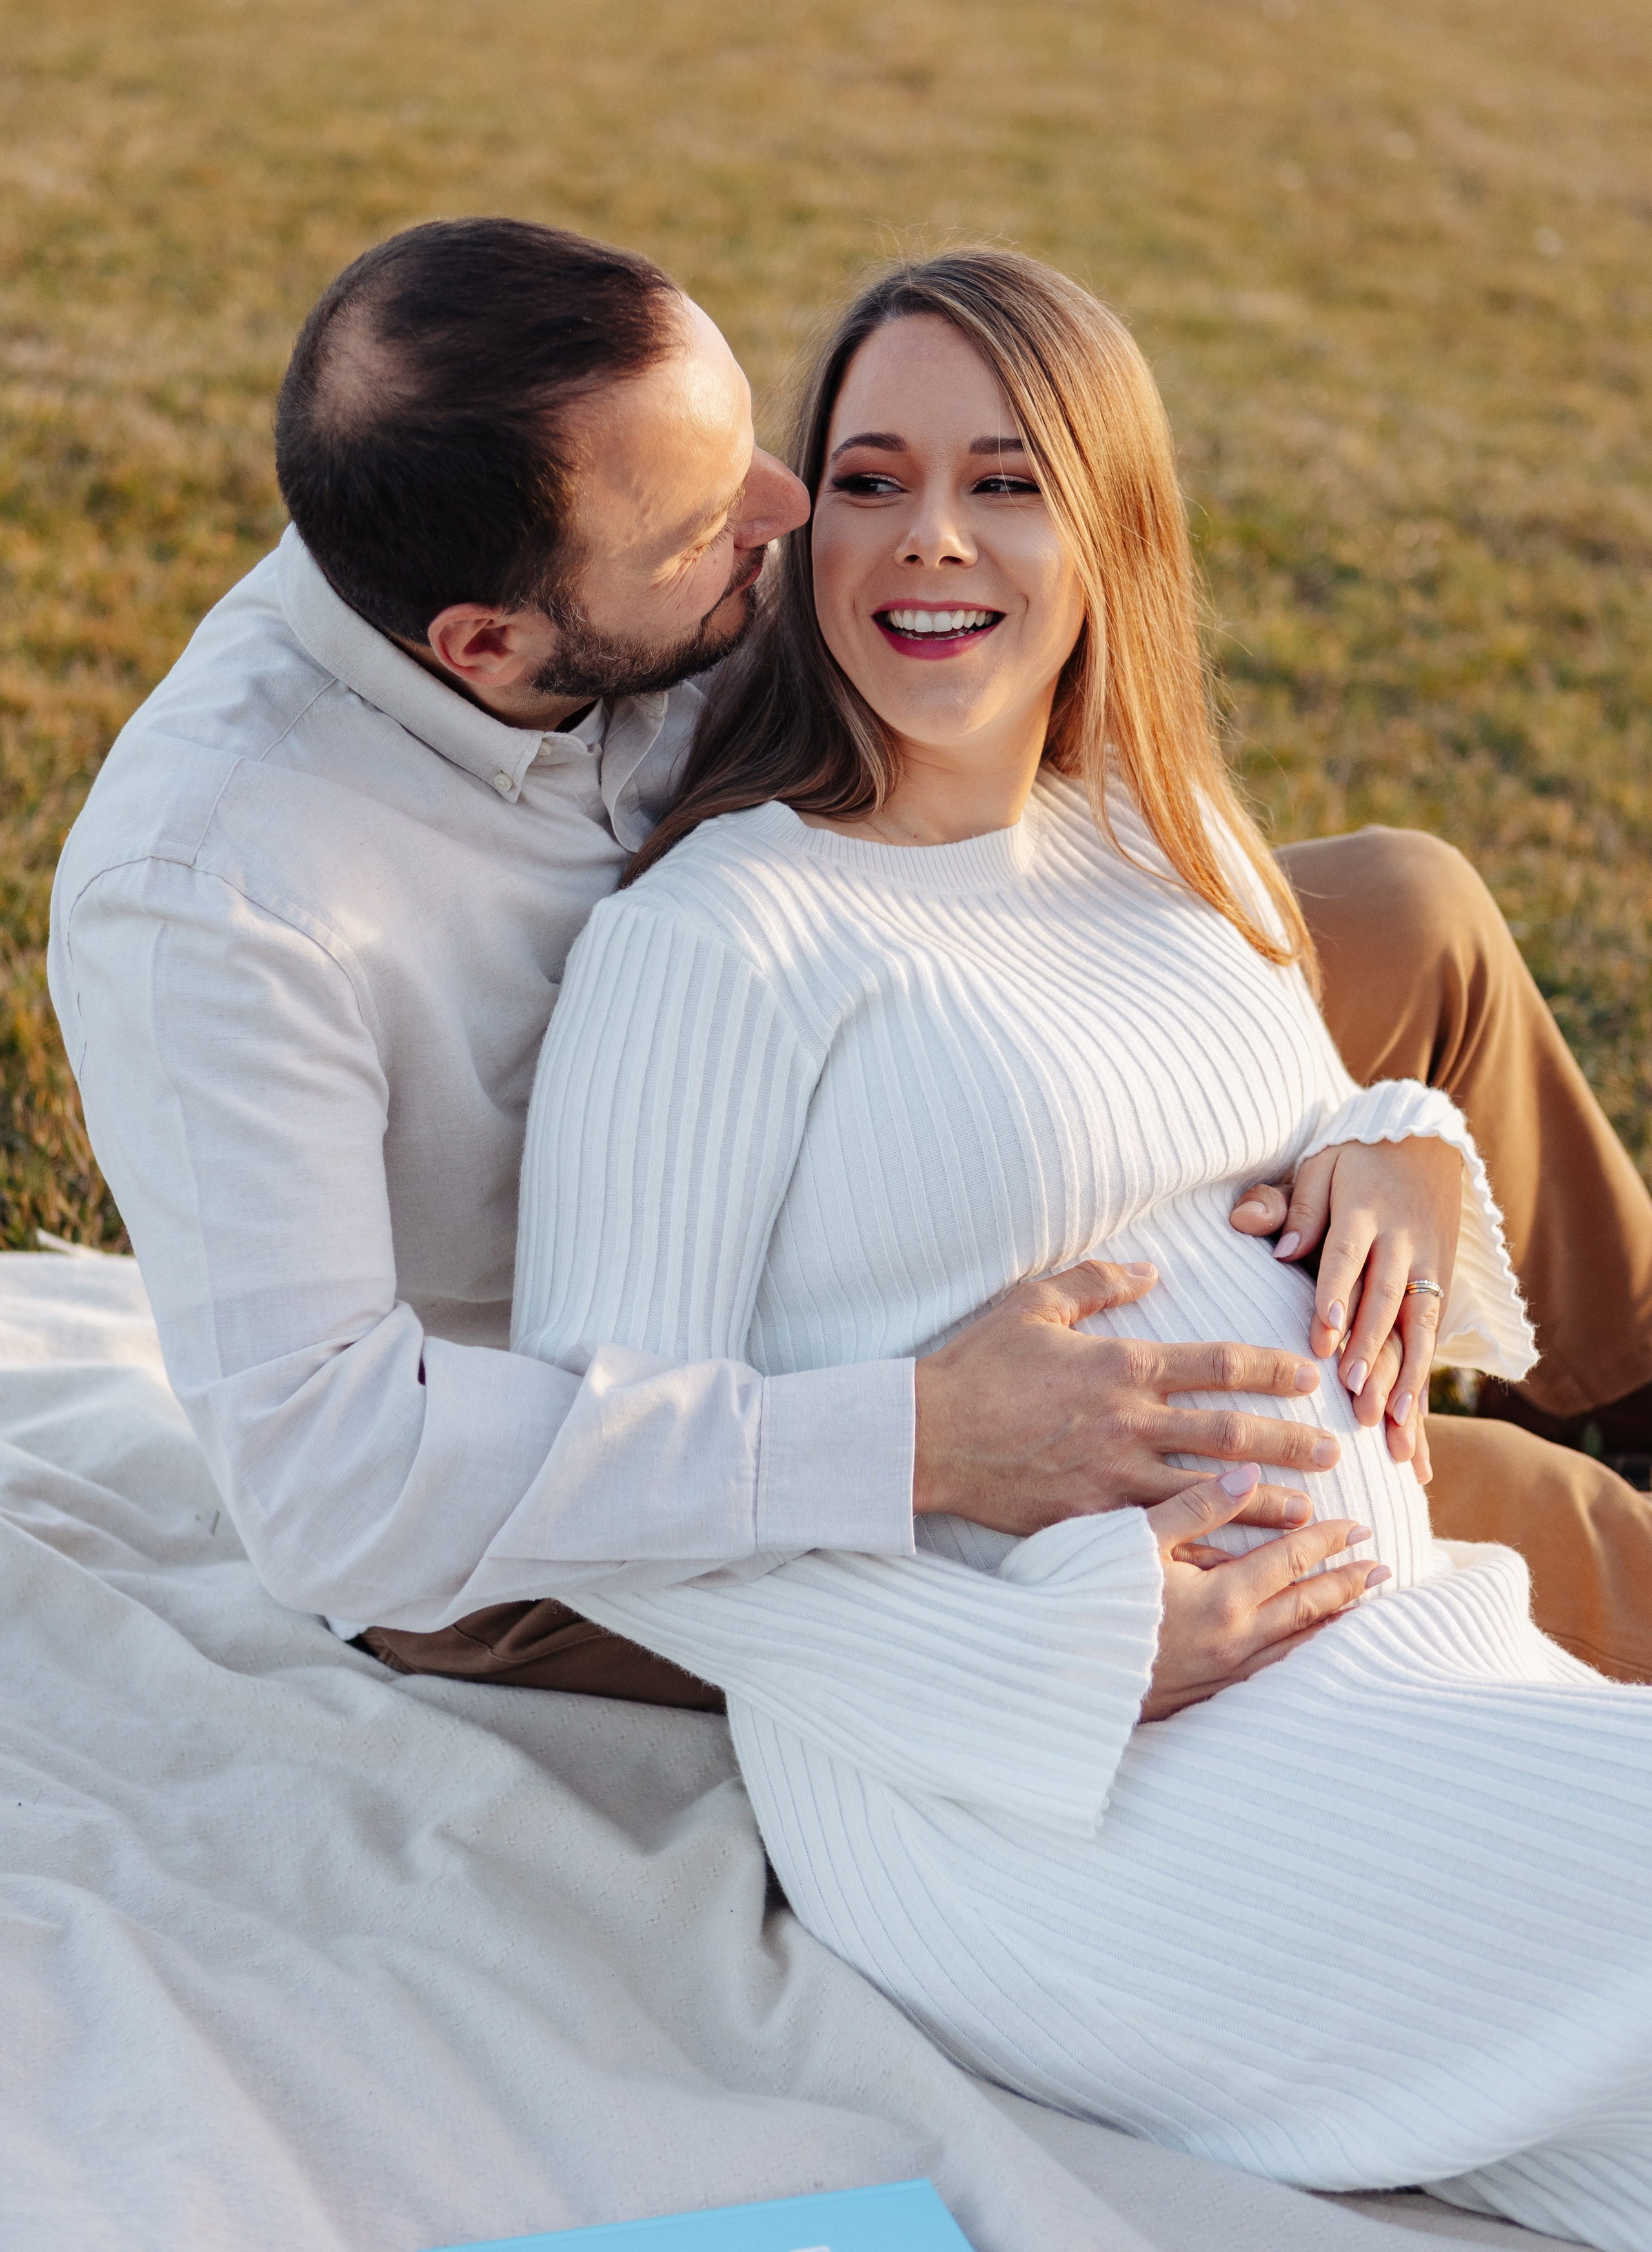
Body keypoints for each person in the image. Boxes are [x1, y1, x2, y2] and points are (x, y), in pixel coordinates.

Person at [48, 219, 1652, 1703]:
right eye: (702, 527)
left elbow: (1009, 729)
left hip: (878, 1090)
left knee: (1410, 914)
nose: (787, 510)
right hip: (630, 1425)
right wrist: (916, 1441)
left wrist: (1374, 1130)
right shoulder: (212, 892)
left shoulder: (608, 509)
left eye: (753, 439)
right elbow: (339, 1492)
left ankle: (1625, 1365)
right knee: (1473, 1520)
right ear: (488, 645)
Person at [508, 250, 1652, 2249]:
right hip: (1048, 1796)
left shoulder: (1148, 822)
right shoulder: (724, 940)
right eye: (868, 477)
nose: (928, 538)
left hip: (1406, 1658)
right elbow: (608, 1490)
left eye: (1008, 480)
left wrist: (1394, 1144)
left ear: (1111, 528)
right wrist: (1074, 1658)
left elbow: (1234, 1126)